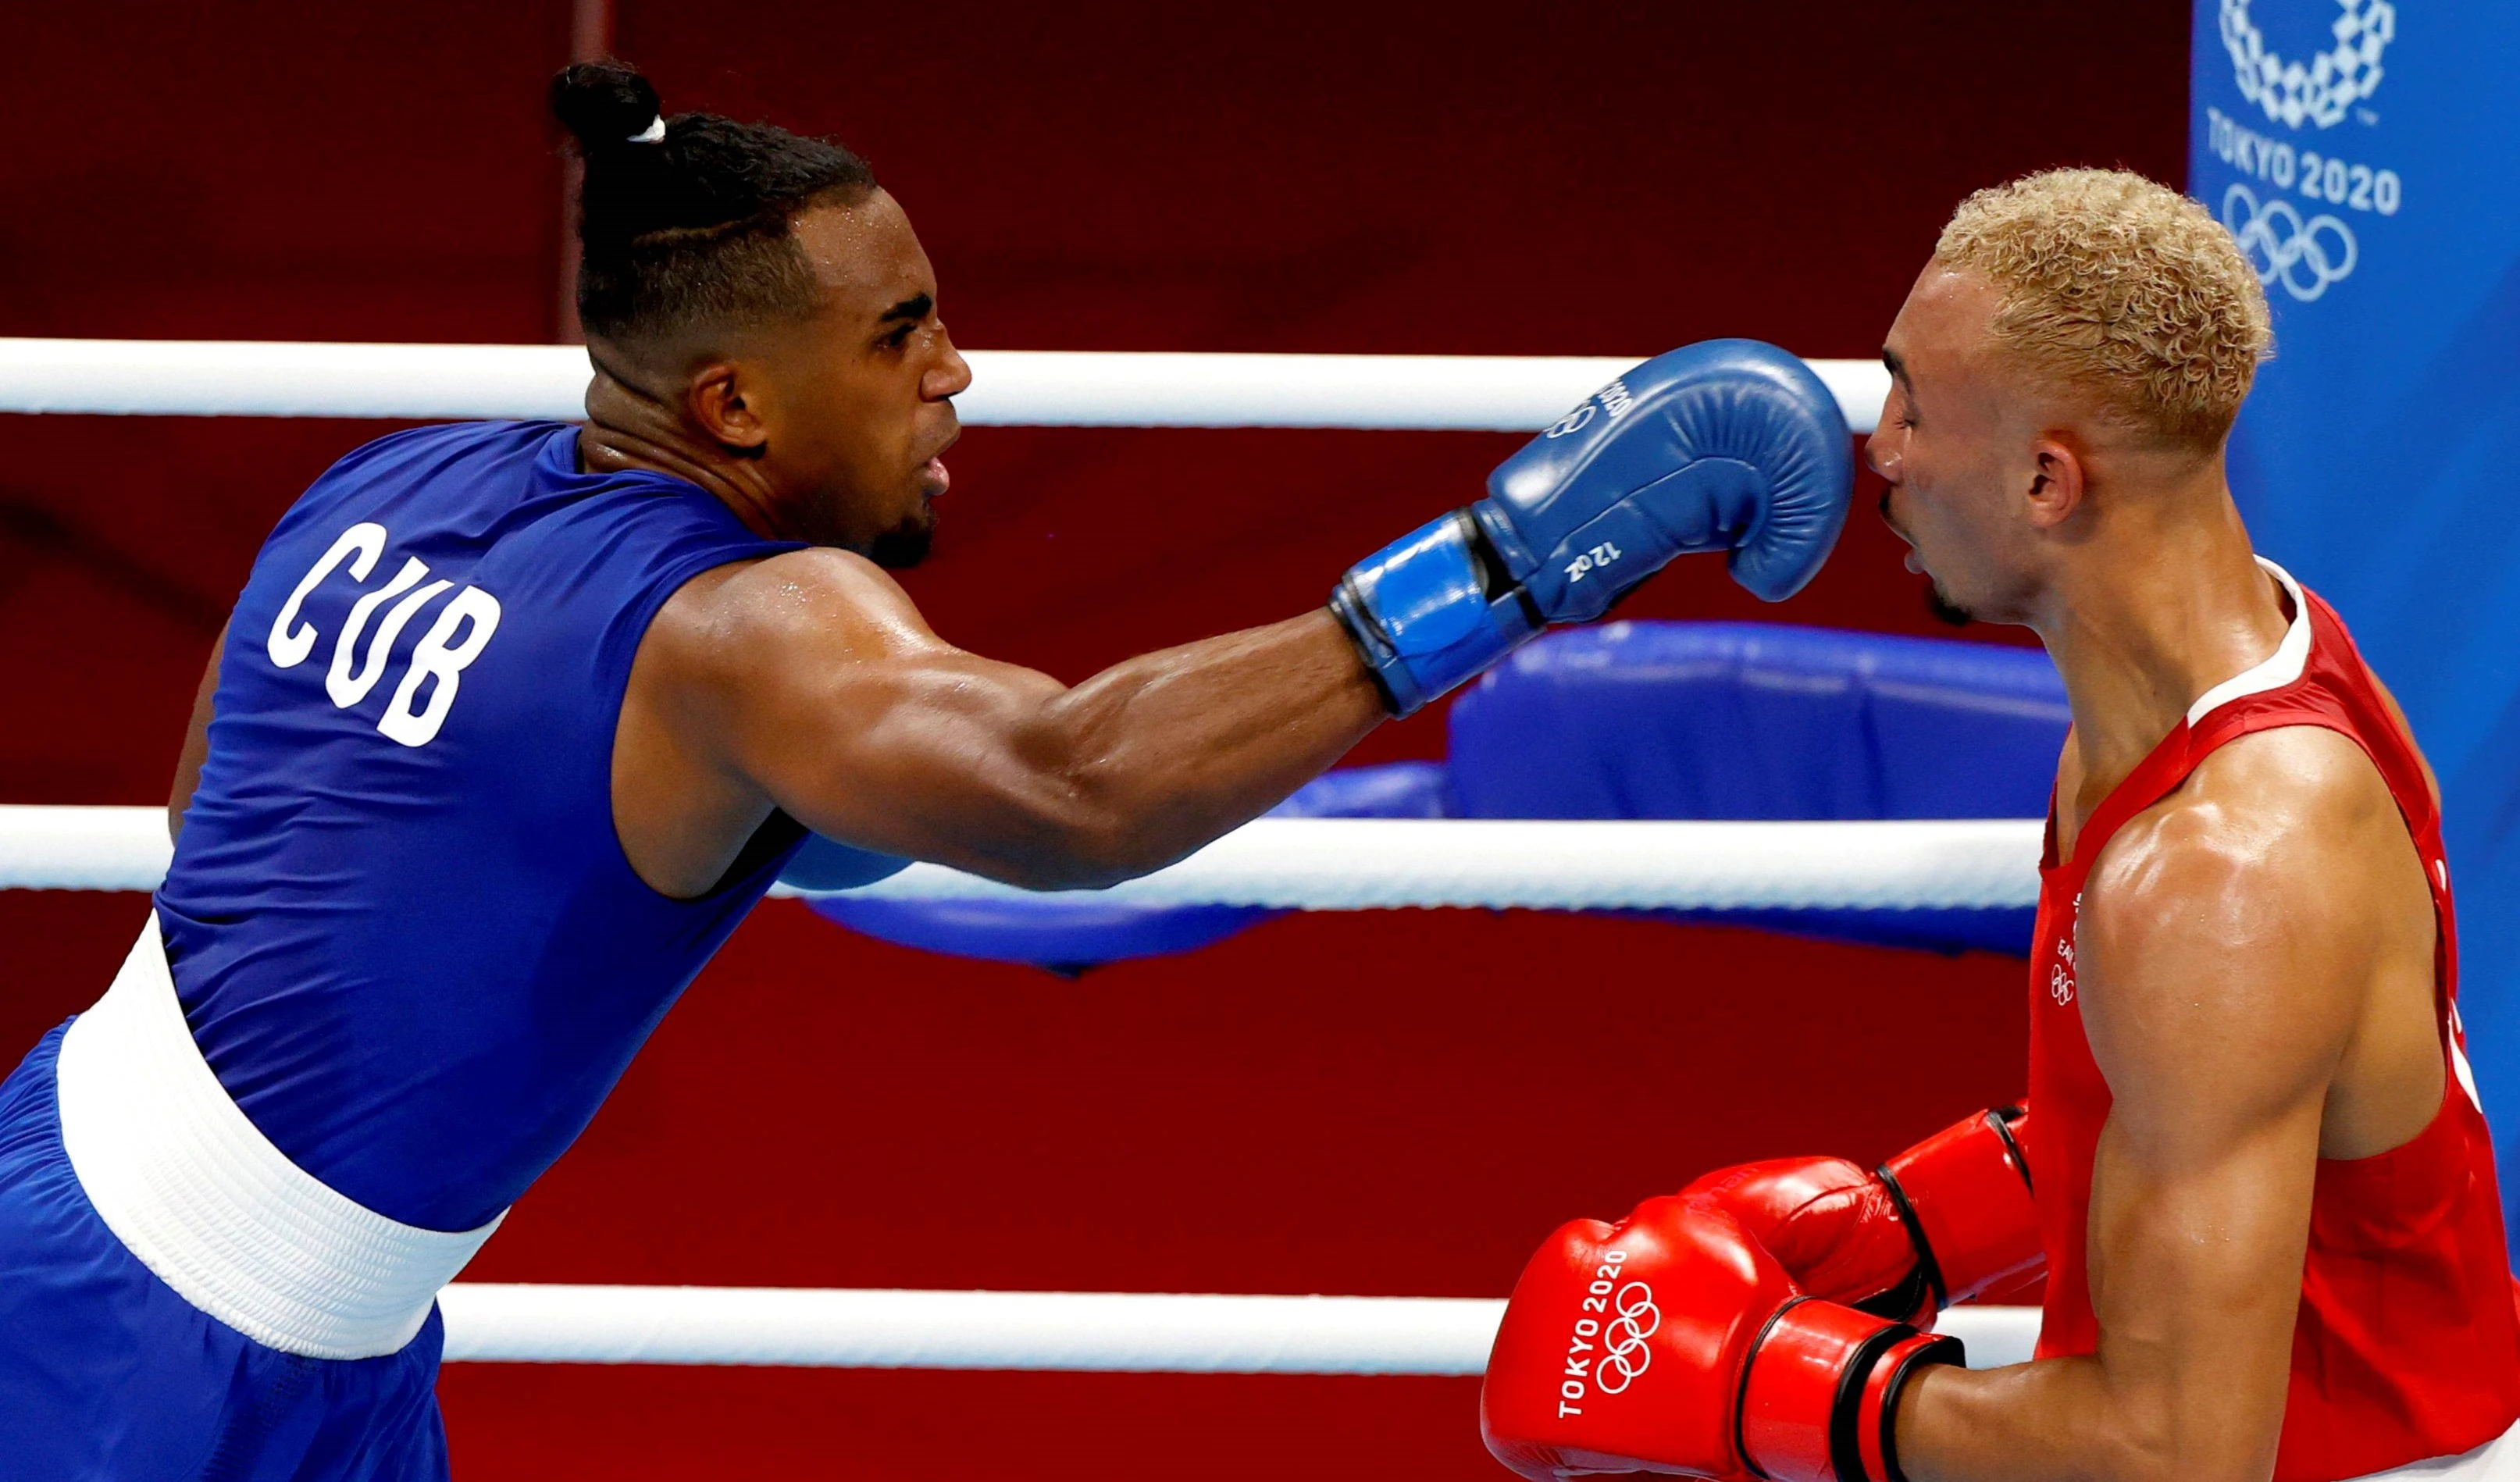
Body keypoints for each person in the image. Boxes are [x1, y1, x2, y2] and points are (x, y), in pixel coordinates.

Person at [0, 60, 1854, 1480]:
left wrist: (632, 819)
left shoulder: (390, 481)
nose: (957, 374)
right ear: (732, 405)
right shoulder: (745, 632)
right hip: (153, 1350)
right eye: (900, 340)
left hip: (155, 1243)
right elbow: (1068, 788)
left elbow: (210, 827)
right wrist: (1501, 569)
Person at [1480, 168, 2520, 1482]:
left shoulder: (2225, 870)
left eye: (1914, 404)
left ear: (2045, 480)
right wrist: (1914, 1222)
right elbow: (2181, 1088)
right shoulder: (2215, 672)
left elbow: (2172, 1454)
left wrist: (1774, 1389)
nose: (1881, 449)